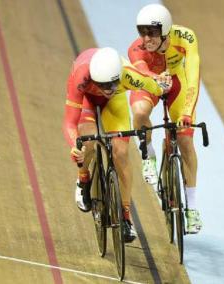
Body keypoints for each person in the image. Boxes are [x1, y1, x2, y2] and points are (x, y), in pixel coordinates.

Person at [62, 47, 169, 242]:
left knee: (120, 153)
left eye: (113, 84)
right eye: (103, 85)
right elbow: (69, 122)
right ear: (94, 78)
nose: (108, 90)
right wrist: (74, 145)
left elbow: (156, 87)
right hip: (86, 100)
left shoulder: (127, 75)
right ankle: (83, 178)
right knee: (89, 140)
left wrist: (164, 83)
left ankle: (125, 217)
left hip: (115, 105)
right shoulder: (81, 77)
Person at [128, 4, 202, 234]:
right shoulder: (137, 48)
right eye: (142, 31)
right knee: (140, 112)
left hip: (178, 85)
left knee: (185, 140)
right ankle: (148, 154)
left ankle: (191, 208)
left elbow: (193, 76)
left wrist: (187, 113)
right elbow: (140, 72)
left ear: (165, 31)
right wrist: (155, 79)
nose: (146, 38)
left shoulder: (186, 38)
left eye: (151, 32)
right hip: (150, 82)